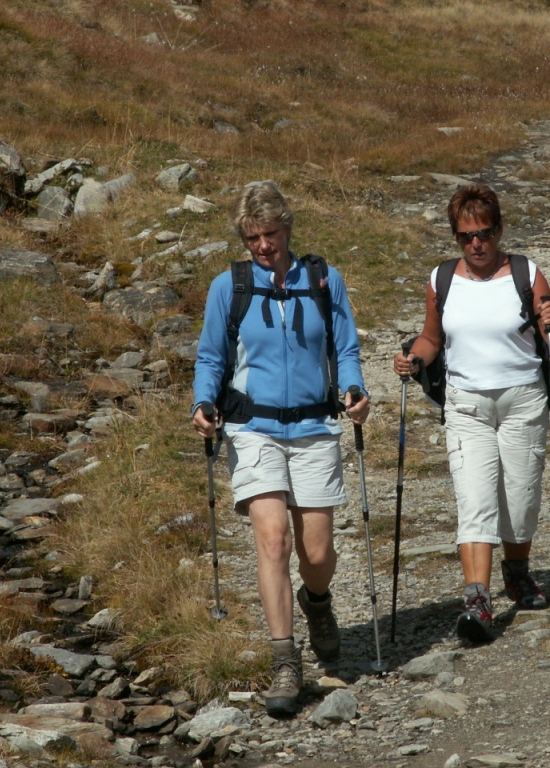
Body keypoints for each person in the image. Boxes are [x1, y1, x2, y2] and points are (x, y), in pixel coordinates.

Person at [191, 181, 370, 717]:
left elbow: (346, 346)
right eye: (252, 238)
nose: (263, 246)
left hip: (315, 426)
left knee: (316, 554)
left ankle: (317, 602)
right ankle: (284, 663)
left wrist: (355, 392)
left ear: (287, 227)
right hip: (253, 429)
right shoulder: (230, 287)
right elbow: (210, 357)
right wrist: (203, 402)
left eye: (269, 234)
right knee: (274, 540)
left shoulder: (323, 279)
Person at [393, 183, 550, 644]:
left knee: (522, 498)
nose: (476, 244)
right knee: (474, 499)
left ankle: (517, 572)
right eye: (466, 236)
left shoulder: (526, 274)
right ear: (455, 237)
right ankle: (478, 599)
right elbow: (433, 339)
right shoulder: (442, 280)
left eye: (484, 234)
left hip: (524, 399)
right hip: (466, 404)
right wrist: (415, 355)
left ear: (499, 230)